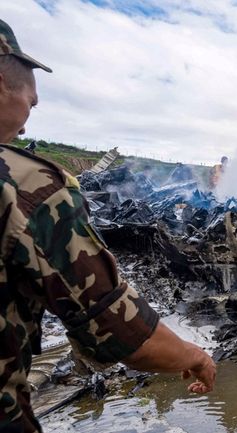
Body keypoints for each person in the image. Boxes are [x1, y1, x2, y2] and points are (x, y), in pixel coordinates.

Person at [0, 19, 216, 433]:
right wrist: (196, 357)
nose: (26, 126)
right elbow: (116, 326)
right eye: (31, 102)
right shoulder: (26, 184)